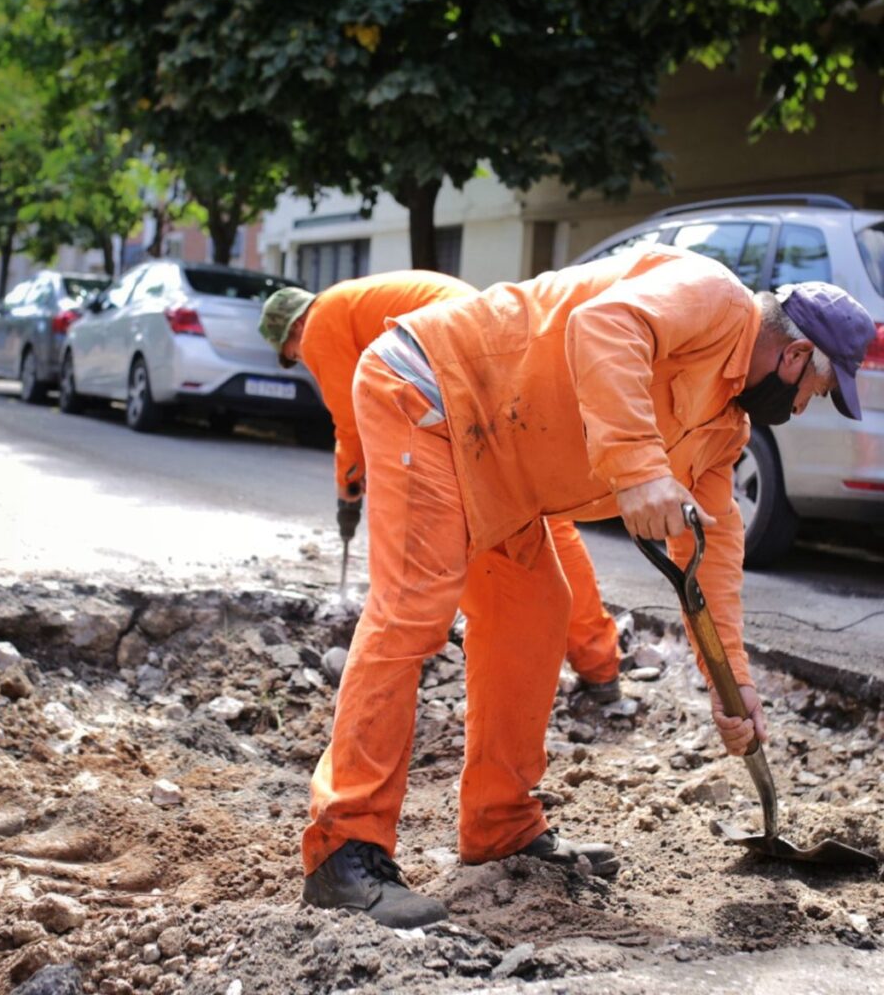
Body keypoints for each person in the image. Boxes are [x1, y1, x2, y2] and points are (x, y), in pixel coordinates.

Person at [296, 248, 877, 929]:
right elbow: (604, 324)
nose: (807, 407)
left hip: (502, 469)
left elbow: (712, 552)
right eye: (817, 389)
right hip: (429, 393)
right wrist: (638, 470)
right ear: (795, 353)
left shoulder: (724, 426)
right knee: (413, 609)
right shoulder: (713, 296)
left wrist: (734, 683)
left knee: (538, 613)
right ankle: (344, 850)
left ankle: (499, 823)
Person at [259, 270, 622, 699]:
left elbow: (352, 424)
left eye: (294, 353)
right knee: (536, 514)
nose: (303, 359)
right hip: (490, 354)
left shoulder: (321, 322)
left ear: (295, 326)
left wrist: (348, 486)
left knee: (441, 518)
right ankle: (599, 666)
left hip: (453, 365)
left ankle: (405, 646)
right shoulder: (353, 302)